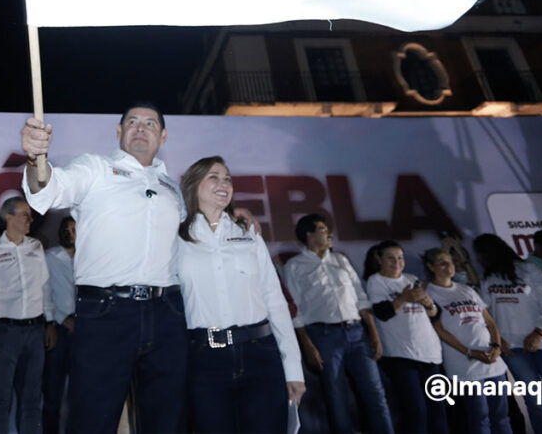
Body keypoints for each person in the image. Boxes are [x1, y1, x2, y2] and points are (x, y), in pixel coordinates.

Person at [21, 103, 187, 433]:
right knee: (92, 420)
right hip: (106, 313)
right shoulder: (95, 168)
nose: (141, 128)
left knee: (168, 422)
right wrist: (35, 159)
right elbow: (51, 189)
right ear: (119, 131)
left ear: (163, 135)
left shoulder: (173, 188)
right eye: (133, 122)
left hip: (167, 313)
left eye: (150, 123)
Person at [176, 157, 304, 433]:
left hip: (261, 354)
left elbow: (274, 299)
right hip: (203, 359)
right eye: (213, 177)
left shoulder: (247, 233)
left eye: (227, 178)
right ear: (193, 184)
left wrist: (293, 369)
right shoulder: (175, 236)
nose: (223, 184)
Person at [283, 214, 392, 434]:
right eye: (323, 230)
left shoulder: (341, 260)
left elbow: (361, 297)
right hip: (323, 336)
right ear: (309, 235)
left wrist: (373, 332)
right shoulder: (294, 266)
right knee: (336, 397)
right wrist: (308, 346)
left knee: (375, 392)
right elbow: (295, 313)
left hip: (356, 333)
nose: (329, 234)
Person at [473, 234, 542, 434]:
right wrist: (497, 340)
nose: (480, 259)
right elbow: (486, 315)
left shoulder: (528, 269)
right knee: (536, 404)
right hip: (513, 349)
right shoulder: (487, 279)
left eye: (481, 254)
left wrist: (539, 333)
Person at [0, 198, 54, 434]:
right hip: (3, 333)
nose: (30, 219)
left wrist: (50, 321)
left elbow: (45, 286)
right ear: (9, 217)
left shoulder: (36, 246)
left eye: (30, 215)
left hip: (35, 331)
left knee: (32, 399)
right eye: (25, 214)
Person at [423, 248, 511, 434]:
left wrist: (496, 346)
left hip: (492, 361)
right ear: (431, 266)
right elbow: (438, 329)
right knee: (479, 417)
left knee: (501, 415)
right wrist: (469, 352)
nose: (449, 266)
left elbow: (489, 322)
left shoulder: (466, 289)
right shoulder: (429, 293)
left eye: (451, 262)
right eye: (442, 262)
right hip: (464, 363)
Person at [364, 240, 447, 434]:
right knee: (416, 411)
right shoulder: (376, 281)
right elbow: (382, 313)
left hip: (430, 354)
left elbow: (435, 314)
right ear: (379, 260)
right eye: (390, 258)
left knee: (438, 412)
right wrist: (403, 299)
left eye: (400, 258)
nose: (397, 263)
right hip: (401, 356)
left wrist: (428, 302)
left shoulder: (411, 278)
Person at [43, 217, 75, 434]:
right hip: (59, 327)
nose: (71, 232)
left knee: (80, 392)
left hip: (85, 331)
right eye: (67, 229)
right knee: (53, 392)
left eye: (75, 229)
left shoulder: (89, 257)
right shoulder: (49, 257)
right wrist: (62, 318)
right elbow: (45, 291)